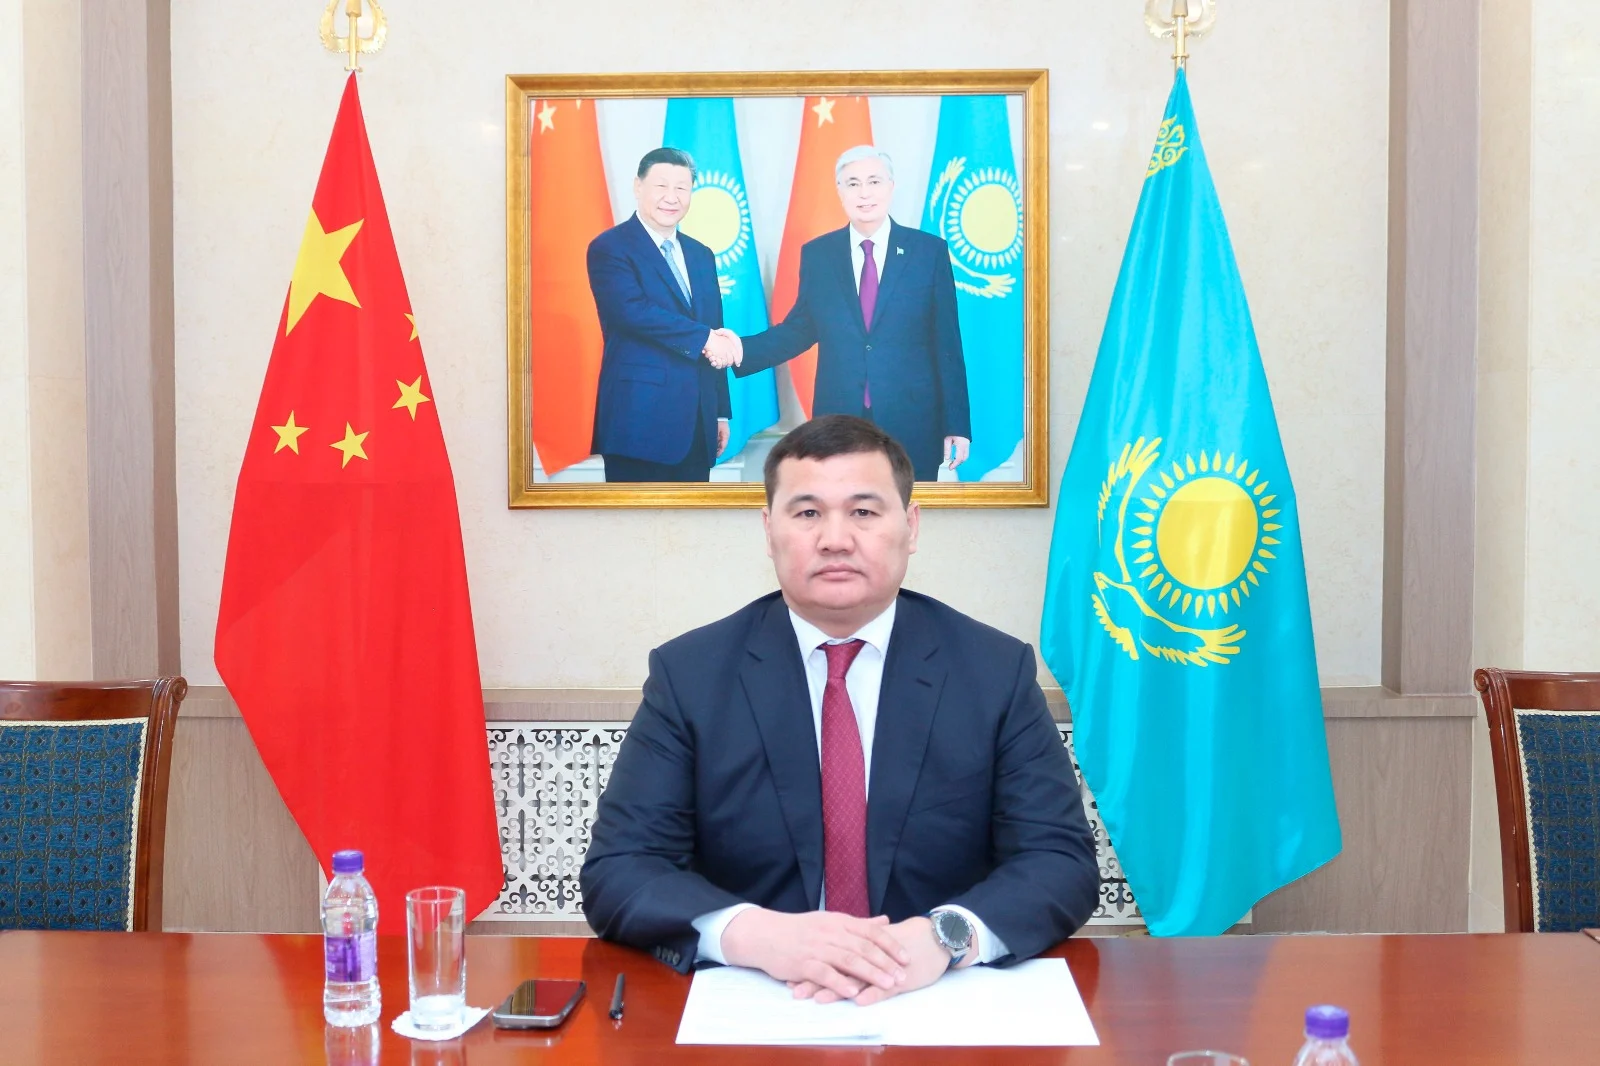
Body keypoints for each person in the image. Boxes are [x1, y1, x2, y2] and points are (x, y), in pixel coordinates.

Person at [581, 415, 1098, 1005]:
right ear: (769, 530)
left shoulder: (993, 671)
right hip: (759, 1000)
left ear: (911, 526)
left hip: (938, 998)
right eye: (807, 513)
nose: (835, 539)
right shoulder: (691, 675)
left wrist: (945, 936)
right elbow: (621, 869)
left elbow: (1060, 863)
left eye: (864, 512)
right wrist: (756, 935)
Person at [715, 146, 971, 482]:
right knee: (840, 508)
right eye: (852, 183)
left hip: (913, 420)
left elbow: (947, 344)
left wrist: (957, 424)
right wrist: (739, 349)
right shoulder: (819, 254)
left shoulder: (928, 251)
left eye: (874, 181)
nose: (864, 193)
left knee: (903, 510)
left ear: (891, 186)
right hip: (839, 421)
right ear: (839, 191)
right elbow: (799, 329)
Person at [586, 147, 741, 482]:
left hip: (697, 423)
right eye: (661, 186)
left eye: (682, 188)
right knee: (636, 516)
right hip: (638, 420)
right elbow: (632, 311)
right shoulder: (609, 247)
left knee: (692, 516)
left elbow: (714, 329)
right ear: (638, 186)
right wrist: (704, 338)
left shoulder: (701, 254)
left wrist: (719, 413)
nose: (672, 197)